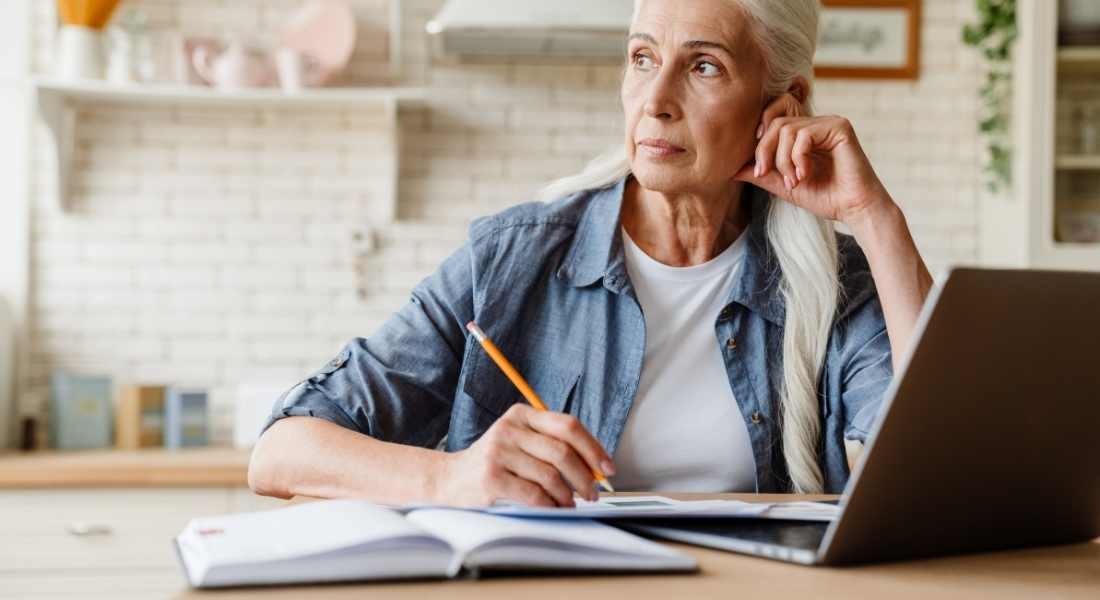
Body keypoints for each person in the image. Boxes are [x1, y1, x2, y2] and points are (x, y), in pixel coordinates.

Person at [248, 0, 933, 507]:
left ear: (783, 104)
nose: (656, 101)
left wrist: (875, 218)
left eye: (703, 66)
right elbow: (282, 449)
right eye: (641, 59)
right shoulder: (513, 261)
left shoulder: (830, 284)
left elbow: (941, 466)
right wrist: (449, 477)